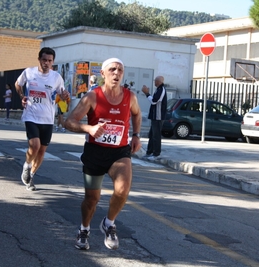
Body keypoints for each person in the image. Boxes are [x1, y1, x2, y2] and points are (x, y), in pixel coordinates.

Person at [64, 58, 142, 251]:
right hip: (95, 152)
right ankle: (84, 228)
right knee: (92, 199)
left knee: (123, 189)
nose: (117, 73)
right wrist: (88, 128)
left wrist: (136, 135)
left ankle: (109, 223)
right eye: (112, 69)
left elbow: (137, 114)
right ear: (103, 74)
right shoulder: (92, 97)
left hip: (120, 152)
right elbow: (69, 121)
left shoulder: (130, 96)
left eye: (120, 70)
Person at [15, 47, 69, 191]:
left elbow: (61, 94)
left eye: (49, 61)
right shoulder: (29, 72)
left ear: (53, 62)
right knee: (35, 146)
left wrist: (65, 96)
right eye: (44, 60)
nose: (46, 63)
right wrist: (22, 97)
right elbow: (17, 84)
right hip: (31, 115)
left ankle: (31, 176)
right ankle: (26, 165)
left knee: (42, 151)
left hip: (47, 119)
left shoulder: (56, 77)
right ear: (39, 59)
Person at [141, 76, 167, 160]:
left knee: (156, 135)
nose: (154, 82)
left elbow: (154, 101)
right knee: (151, 134)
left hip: (158, 116)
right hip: (154, 116)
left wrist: (147, 93)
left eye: (155, 81)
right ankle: (149, 152)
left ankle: (156, 153)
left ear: (158, 82)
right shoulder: (158, 89)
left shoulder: (161, 89)